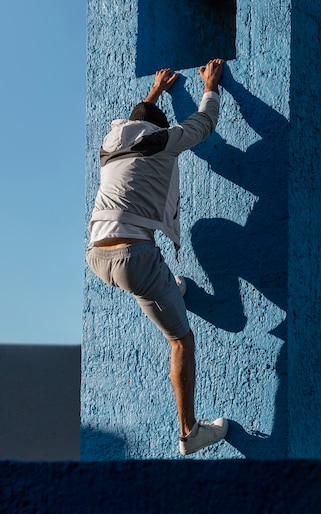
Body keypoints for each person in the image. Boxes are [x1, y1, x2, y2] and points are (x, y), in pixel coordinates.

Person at [86, 59, 228, 456]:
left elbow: (139, 118)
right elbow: (204, 122)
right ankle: (189, 433)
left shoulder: (108, 148)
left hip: (97, 256)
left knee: (151, 269)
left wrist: (153, 93)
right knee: (181, 341)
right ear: (159, 128)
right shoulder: (163, 140)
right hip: (134, 261)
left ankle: (168, 289)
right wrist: (211, 85)